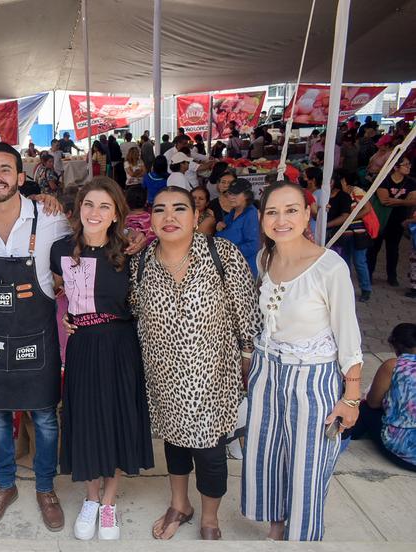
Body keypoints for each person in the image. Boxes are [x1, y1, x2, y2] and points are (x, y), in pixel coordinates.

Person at [128, 186, 258, 541]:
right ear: (150, 218)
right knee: (174, 441)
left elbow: (245, 315)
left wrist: (247, 361)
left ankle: (211, 517)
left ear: (196, 216)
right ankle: (179, 504)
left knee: (210, 451)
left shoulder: (223, 255)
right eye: (160, 210)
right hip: (163, 374)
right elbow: (131, 311)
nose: (169, 218)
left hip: (212, 376)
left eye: (179, 209)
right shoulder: (141, 263)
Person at [0, 142, 70, 532]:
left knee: (44, 417)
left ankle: (45, 488)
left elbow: (77, 258)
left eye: (6, 169)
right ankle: (5, 487)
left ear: (21, 177)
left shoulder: (50, 217)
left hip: (36, 333)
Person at [243, 182, 363, 541]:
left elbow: (349, 338)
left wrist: (352, 397)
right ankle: (277, 529)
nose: (281, 219)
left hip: (313, 378)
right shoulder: (266, 258)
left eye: (291, 210)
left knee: (308, 465)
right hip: (268, 372)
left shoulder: (330, 267)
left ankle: (302, 538)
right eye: (272, 212)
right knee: (268, 452)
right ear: (262, 218)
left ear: (308, 213)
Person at [52, 177, 154, 541]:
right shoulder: (59, 248)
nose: (95, 213)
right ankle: (91, 499)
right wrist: (67, 313)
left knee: (116, 420)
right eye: (89, 204)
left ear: (115, 215)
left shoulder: (129, 251)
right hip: (80, 345)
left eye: (105, 207)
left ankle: (109, 502)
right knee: (86, 420)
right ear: (79, 209)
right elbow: (59, 288)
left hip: (119, 345)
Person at [344, 323, 416, 471]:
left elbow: (373, 402)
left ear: (396, 347)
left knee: (364, 408)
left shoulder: (393, 365)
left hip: (406, 451)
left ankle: (346, 433)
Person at [368, 157, 416, 287]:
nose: (409, 167)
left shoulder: (411, 182)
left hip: (398, 220)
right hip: (381, 219)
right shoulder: (383, 180)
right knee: (374, 248)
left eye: (409, 164)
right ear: (396, 167)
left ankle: (392, 276)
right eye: (405, 165)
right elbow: (384, 200)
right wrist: (404, 201)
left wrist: (397, 201)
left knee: (393, 249)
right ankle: (369, 274)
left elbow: (414, 200)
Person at [327, 171, 373, 302]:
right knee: (344, 262)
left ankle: (366, 290)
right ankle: (346, 289)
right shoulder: (330, 194)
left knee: (359, 262)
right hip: (342, 233)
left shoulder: (355, 191)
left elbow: (367, 209)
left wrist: (349, 219)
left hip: (358, 232)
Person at [217, 178, 259, 275]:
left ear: (247, 195)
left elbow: (253, 245)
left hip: (244, 270)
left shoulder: (251, 215)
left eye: (235, 194)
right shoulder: (232, 213)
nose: (231, 197)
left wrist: (228, 253)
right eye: (230, 193)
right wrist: (219, 228)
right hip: (229, 268)